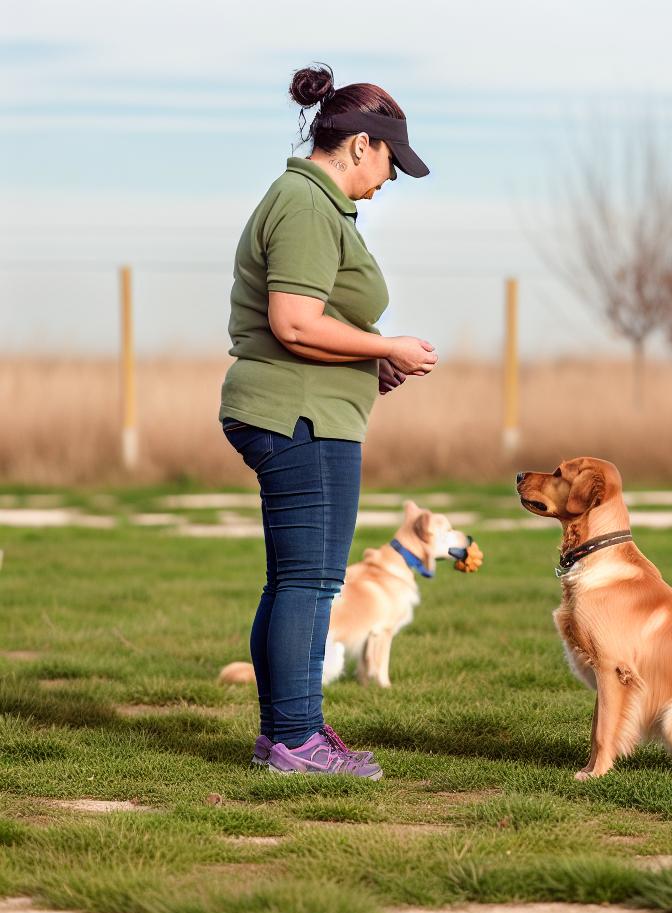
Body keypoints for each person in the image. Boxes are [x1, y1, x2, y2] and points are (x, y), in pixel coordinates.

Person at [219, 63, 437, 776]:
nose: (390, 180)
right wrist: (385, 344)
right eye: (390, 163)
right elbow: (292, 321)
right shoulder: (309, 206)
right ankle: (294, 740)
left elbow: (313, 322)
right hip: (299, 417)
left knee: (295, 581)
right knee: (310, 583)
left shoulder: (310, 203)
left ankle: (288, 733)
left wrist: (364, 365)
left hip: (308, 405)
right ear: (360, 146)